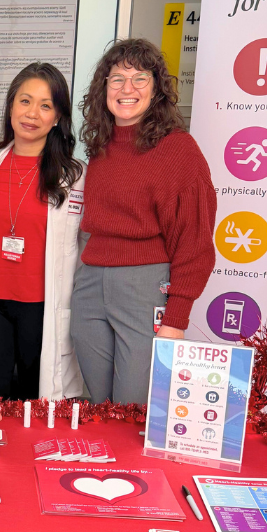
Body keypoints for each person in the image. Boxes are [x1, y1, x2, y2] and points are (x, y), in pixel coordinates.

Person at [72, 38, 217, 404]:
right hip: (90, 285)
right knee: (98, 404)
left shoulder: (178, 149)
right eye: (117, 79)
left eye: (140, 78)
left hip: (145, 286)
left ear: (156, 89)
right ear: (104, 88)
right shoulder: (101, 146)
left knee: (133, 405)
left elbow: (195, 240)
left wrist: (176, 318)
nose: (127, 89)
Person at [0, 63, 86, 401]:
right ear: (11, 105)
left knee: (38, 404)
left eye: (45, 106)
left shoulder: (74, 177)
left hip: (42, 306)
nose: (32, 114)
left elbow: (82, 244)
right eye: (25, 101)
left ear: (58, 117)